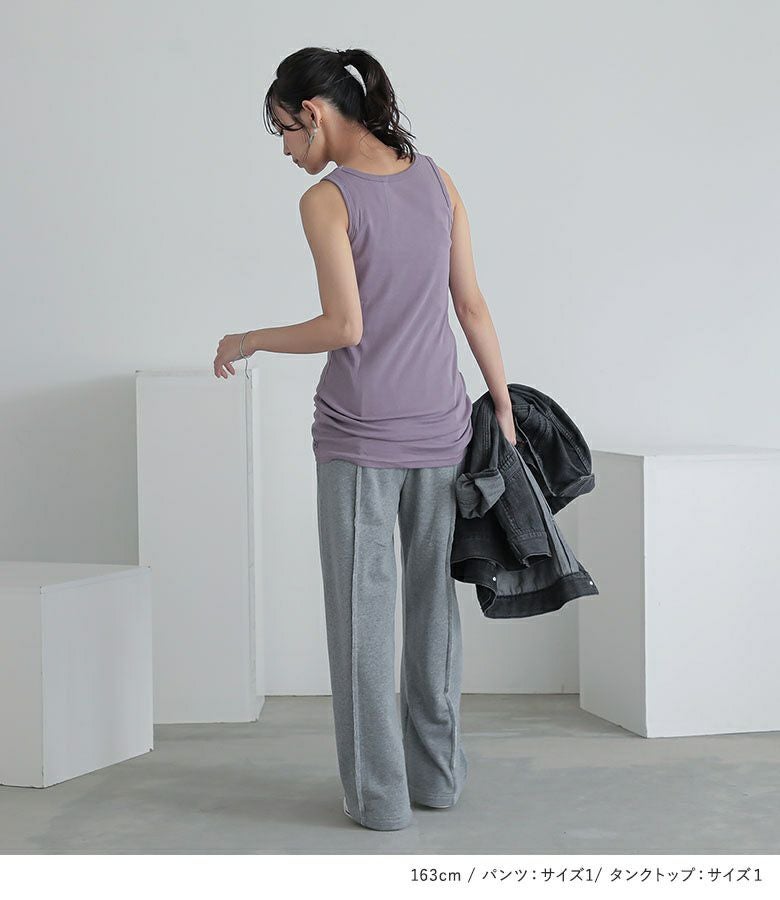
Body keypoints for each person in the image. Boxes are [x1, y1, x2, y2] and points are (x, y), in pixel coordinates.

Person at [212, 46, 516, 831]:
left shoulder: (328, 199)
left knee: (362, 624)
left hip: (359, 440)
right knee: (433, 615)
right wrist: (502, 405)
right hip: (444, 432)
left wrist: (248, 338)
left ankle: (380, 801)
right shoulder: (438, 179)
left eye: (285, 131)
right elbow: (472, 306)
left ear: (313, 114)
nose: (286, 149)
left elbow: (344, 326)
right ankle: (438, 781)